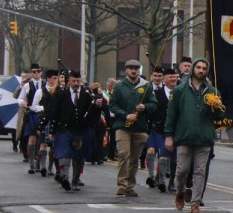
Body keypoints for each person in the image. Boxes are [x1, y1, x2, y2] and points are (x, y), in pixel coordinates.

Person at [165, 57, 224, 213]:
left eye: (204, 68)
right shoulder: (179, 90)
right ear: (193, 69)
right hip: (184, 136)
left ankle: (195, 203)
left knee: (200, 171)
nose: (201, 71)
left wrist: (217, 107)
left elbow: (219, 117)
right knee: (182, 169)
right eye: (198, 67)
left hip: (204, 137)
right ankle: (180, 191)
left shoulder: (213, 92)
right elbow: (172, 114)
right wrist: (169, 135)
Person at [47, 70, 105, 191]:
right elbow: (54, 114)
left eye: (78, 81)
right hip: (65, 129)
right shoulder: (60, 95)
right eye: (73, 81)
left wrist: (97, 106)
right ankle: (65, 177)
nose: (76, 83)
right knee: (66, 154)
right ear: (69, 82)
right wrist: (52, 131)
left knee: (80, 156)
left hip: (82, 129)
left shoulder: (87, 95)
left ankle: (75, 181)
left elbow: (94, 114)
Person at [110, 60, 157, 197]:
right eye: (130, 68)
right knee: (124, 154)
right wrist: (125, 115)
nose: (133, 71)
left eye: (136, 68)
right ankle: (122, 184)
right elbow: (112, 105)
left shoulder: (146, 86)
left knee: (134, 159)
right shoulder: (119, 87)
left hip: (139, 127)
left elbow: (154, 104)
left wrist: (145, 107)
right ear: (126, 70)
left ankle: (130, 186)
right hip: (123, 126)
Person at [147, 68, 177, 192]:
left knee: (175, 158)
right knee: (163, 155)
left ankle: (171, 182)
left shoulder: (180, 92)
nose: (174, 79)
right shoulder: (157, 93)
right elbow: (152, 109)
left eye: (175, 77)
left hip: (177, 130)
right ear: (164, 79)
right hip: (160, 129)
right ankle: (160, 180)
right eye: (171, 77)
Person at [17, 64, 44, 173]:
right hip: (31, 114)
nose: (36, 73)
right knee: (32, 138)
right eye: (34, 71)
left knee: (42, 140)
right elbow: (20, 98)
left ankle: (38, 163)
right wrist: (22, 102)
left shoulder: (46, 84)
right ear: (31, 73)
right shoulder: (27, 86)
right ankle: (32, 164)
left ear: (41, 72)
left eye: (38, 71)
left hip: (43, 114)